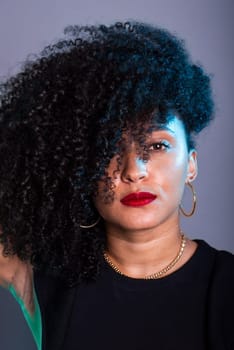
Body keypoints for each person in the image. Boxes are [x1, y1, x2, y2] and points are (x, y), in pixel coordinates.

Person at [0, 21, 233, 350]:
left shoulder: (225, 286)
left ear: (191, 164)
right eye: (108, 150)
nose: (133, 171)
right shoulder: (40, 281)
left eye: (155, 146)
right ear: (80, 165)